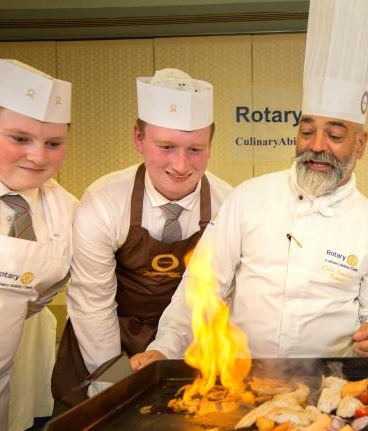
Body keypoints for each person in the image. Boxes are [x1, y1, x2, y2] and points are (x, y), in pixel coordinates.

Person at [130, 0, 368, 368]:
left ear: (361, 145)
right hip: (241, 380)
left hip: (332, 383)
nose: (317, 146)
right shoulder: (249, 198)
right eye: (307, 131)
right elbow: (203, 285)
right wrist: (165, 347)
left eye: (335, 135)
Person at [51, 68, 232, 407]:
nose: (180, 165)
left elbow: (202, 293)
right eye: (166, 146)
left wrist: (164, 351)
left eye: (195, 149)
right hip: (102, 340)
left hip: (184, 340)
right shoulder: (104, 202)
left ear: (211, 142)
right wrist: (114, 381)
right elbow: (93, 301)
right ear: (138, 138)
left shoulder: (228, 207)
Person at [0, 54, 77, 431]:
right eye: (20, 139)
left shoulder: (66, 211)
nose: (38, 156)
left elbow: (38, 297)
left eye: (54, 142)